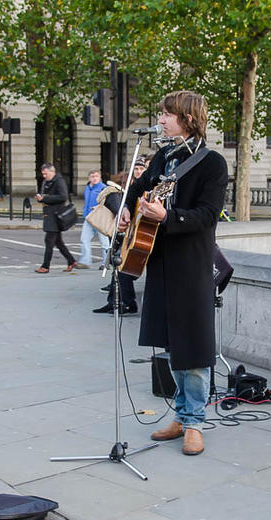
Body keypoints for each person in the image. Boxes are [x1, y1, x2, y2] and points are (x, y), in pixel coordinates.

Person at [117, 90, 227, 456]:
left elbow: (208, 216)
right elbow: (136, 188)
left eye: (166, 114)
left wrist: (169, 217)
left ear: (188, 118)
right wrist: (128, 209)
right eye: (161, 114)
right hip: (161, 261)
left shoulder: (213, 164)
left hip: (192, 265)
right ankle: (180, 415)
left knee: (192, 347)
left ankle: (195, 421)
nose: (160, 120)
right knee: (169, 344)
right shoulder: (164, 156)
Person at [93, 160, 149, 315]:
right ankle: (114, 302)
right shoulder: (130, 190)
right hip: (131, 233)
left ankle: (128, 303)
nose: (138, 172)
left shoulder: (148, 187)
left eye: (141, 169)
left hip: (142, 233)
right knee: (118, 268)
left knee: (123, 269)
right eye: (135, 169)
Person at [34, 163, 77, 273]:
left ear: (52, 172)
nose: (44, 176)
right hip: (50, 214)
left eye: (46, 173)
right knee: (58, 242)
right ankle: (71, 261)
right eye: (43, 174)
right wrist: (40, 198)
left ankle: (45, 266)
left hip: (56, 215)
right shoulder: (47, 181)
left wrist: (45, 198)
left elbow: (63, 197)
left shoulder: (59, 181)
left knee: (49, 241)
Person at [77, 169, 109, 269]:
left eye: (96, 176)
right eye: (92, 176)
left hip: (99, 218)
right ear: (89, 178)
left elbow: (107, 203)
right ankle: (85, 262)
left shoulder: (103, 188)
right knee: (84, 239)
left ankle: (106, 263)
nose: (94, 178)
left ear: (100, 178)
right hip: (89, 217)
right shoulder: (88, 187)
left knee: (104, 242)